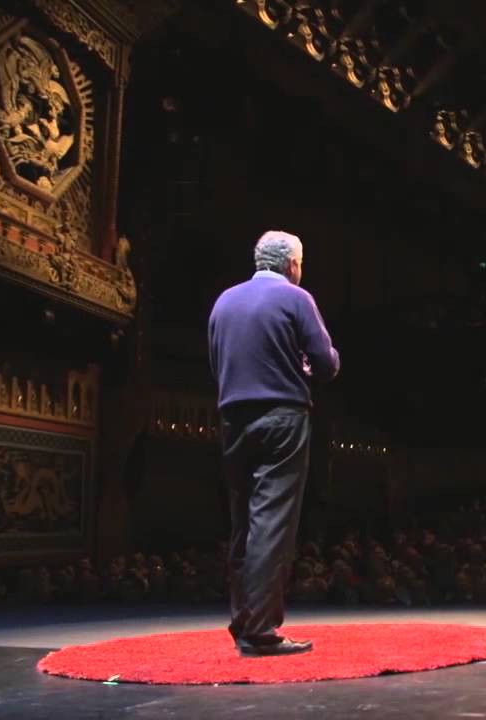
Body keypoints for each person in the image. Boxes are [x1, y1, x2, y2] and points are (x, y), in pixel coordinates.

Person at [208, 230, 339, 656]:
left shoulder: (224, 301)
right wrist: (303, 366)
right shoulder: (296, 299)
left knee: (242, 521)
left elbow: (216, 361)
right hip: (281, 416)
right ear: (292, 265)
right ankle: (261, 629)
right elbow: (326, 363)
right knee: (272, 522)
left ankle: (243, 621)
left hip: (232, 418)